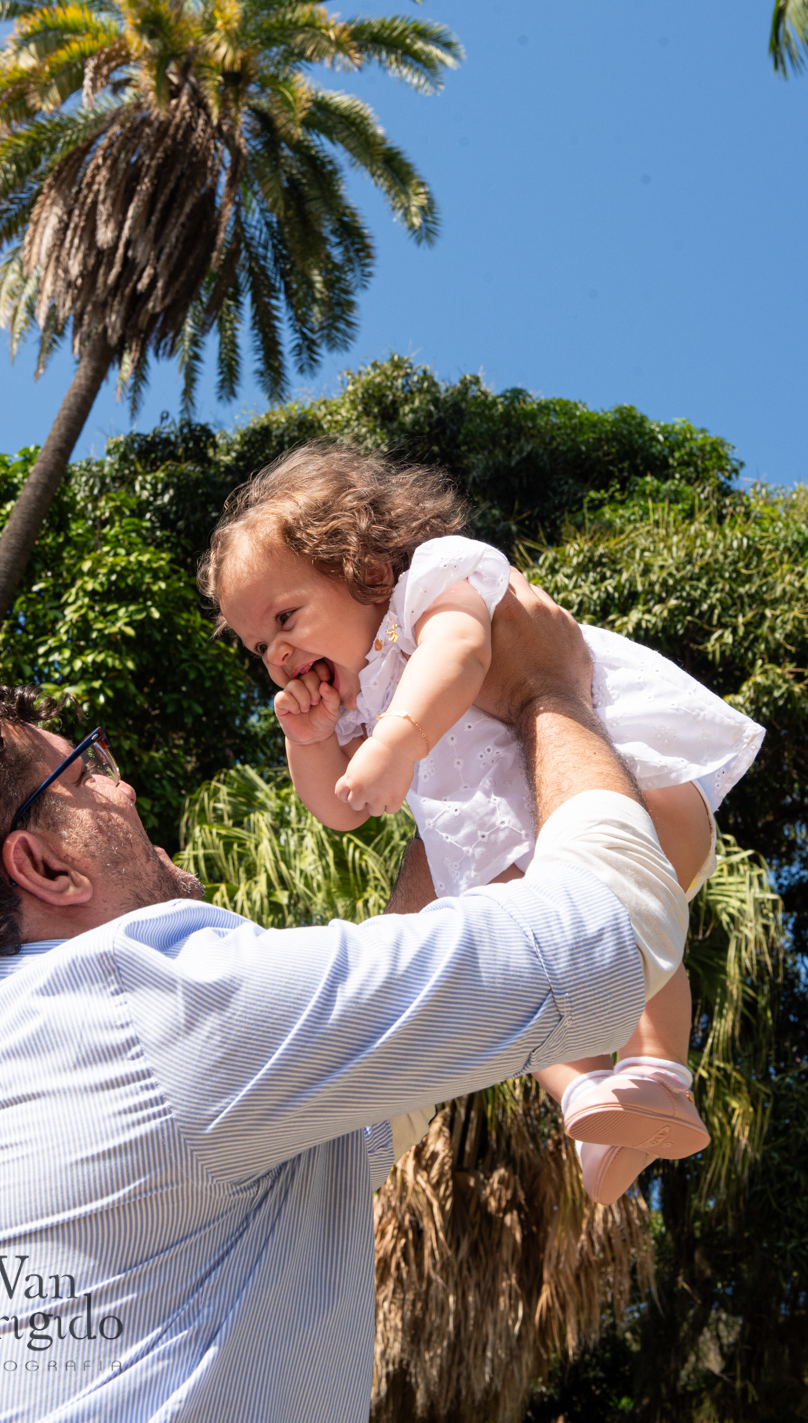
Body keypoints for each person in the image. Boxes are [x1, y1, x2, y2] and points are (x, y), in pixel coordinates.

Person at [0, 586, 689, 1423]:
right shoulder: (136, 1001)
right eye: (86, 771)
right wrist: (545, 691)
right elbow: (610, 928)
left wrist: (450, 833)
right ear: (46, 867)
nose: (125, 786)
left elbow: (379, 1104)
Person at [200, 440, 764, 1203]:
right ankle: (592, 1104)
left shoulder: (433, 585)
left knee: (632, 912)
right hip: (522, 843)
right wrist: (310, 742)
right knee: (517, 955)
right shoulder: (358, 695)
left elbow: (461, 654)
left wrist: (398, 739)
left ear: (364, 568)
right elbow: (339, 810)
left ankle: (659, 1063)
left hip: (621, 782)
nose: (277, 654)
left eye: (286, 617)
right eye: (259, 644)